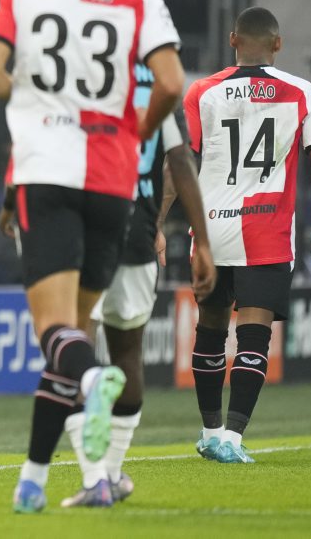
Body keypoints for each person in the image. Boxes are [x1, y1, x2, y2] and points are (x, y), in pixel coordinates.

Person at [0, 0, 186, 513]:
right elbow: (170, 81)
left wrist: (34, 100)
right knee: (72, 335)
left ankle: (94, 380)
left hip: (49, 171)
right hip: (115, 180)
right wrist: (137, 130)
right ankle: (33, 483)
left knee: (59, 335)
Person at [181, 7, 311, 464]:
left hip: (210, 230)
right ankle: (232, 437)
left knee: (209, 329)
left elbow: (183, 163)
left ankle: (209, 431)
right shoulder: (300, 91)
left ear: (233, 40)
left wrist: (160, 221)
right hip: (266, 228)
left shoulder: (203, 92)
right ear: (278, 44)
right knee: (253, 334)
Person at [58, 64, 215, 507]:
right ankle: (111, 472)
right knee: (128, 354)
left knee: (72, 344)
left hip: (85, 229)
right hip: (138, 232)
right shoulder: (157, 85)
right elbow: (180, 160)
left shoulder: (79, 77)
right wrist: (200, 241)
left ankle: (95, 480)